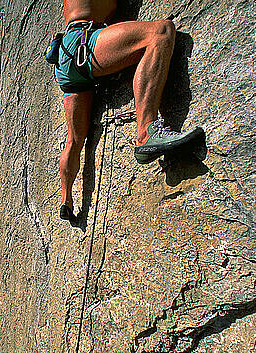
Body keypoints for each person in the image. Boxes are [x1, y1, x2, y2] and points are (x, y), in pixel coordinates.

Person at [55, 0, 200, 221]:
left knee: (73, 140)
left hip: (67, 58)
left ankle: (66, 199)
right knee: (160, 32)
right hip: (86, 44)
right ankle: (146, 133)